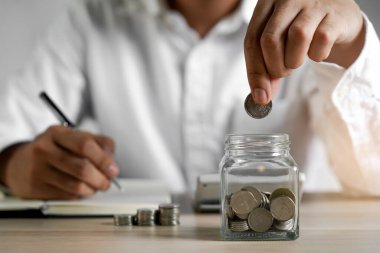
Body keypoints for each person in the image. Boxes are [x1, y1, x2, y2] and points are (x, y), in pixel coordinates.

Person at [0, 0, 379, 200]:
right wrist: (14, 164)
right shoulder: (89, 20)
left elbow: (372, 180)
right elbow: (9, 130)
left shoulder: (312, 18)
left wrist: (354, 47)